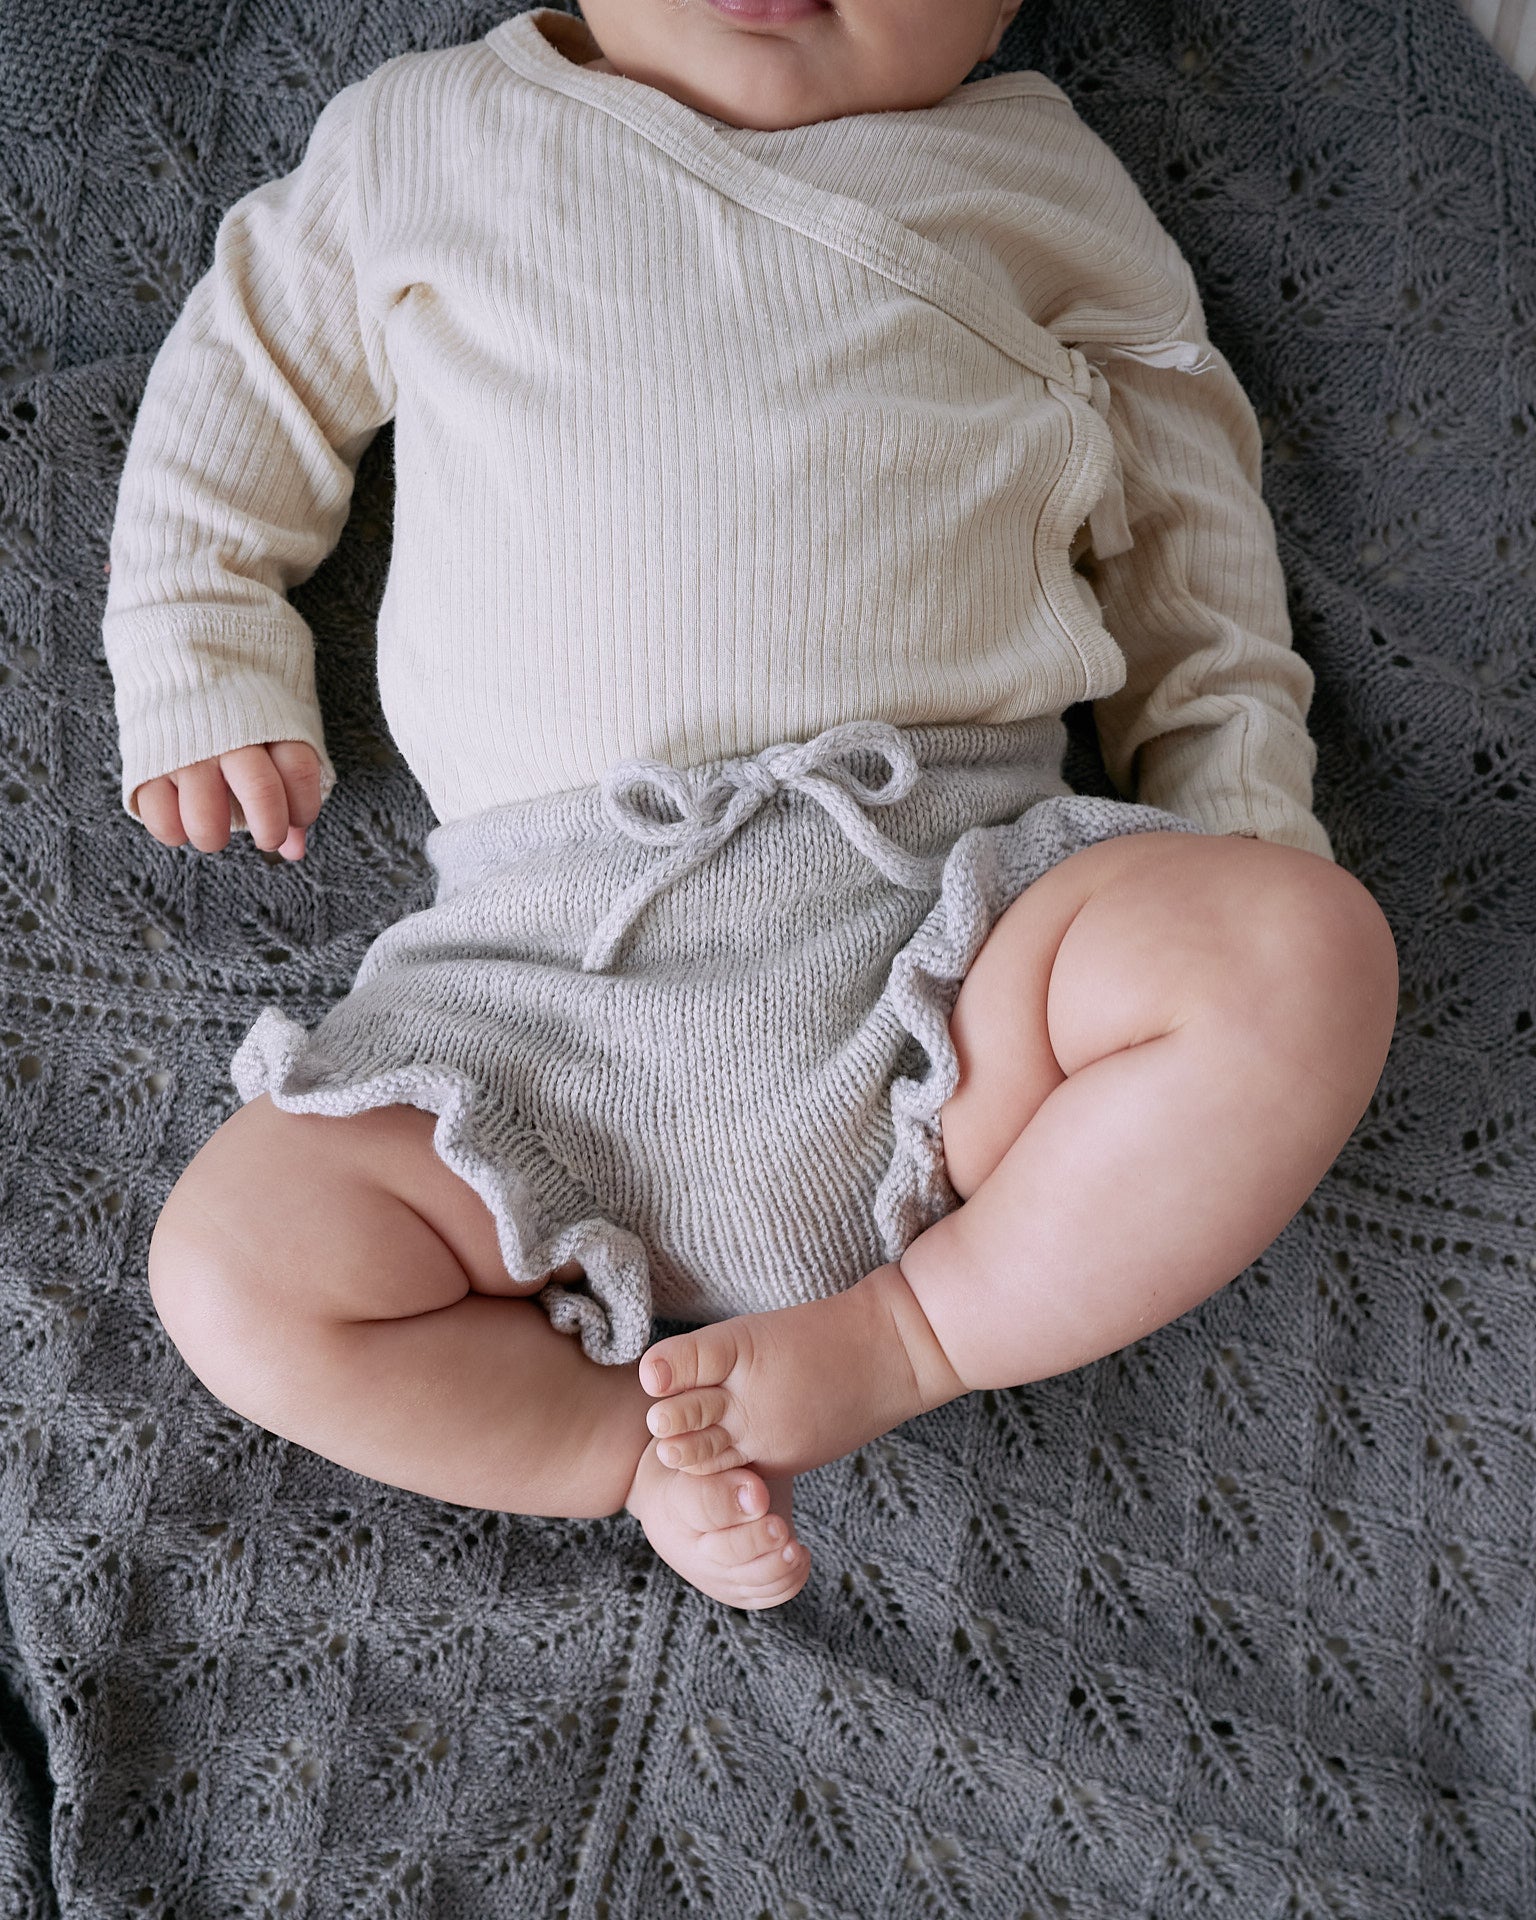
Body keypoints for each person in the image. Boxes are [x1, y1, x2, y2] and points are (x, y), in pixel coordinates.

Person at [104, 0, 1399, 1610]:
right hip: (536, 998)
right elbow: (241, 373)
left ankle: (918, 1331)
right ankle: (624, 1449)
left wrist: (1235, 813)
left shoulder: (1044, 182)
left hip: (946, 936)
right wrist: (199, 650)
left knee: (1300, 950)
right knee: (231, 1267)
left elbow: (1196, 558)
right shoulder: (426, 134)